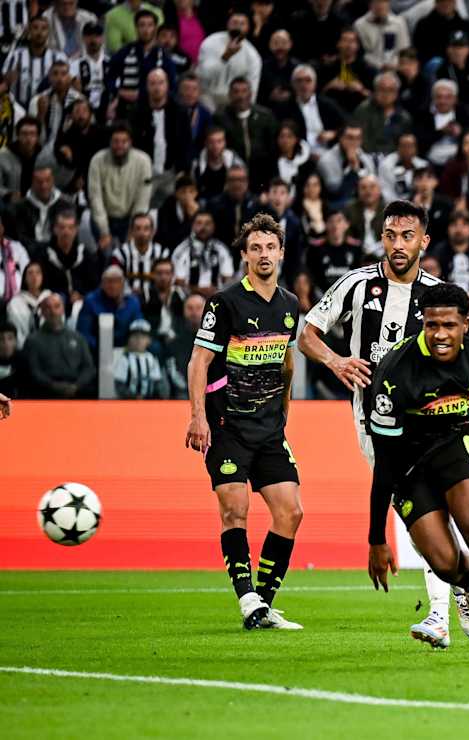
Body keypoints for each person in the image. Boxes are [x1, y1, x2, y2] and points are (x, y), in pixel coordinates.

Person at [297, 199, 469, 645]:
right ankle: (461, 592)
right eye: (391, 236)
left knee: (430, 509)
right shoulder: (356, 285)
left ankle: (443, 611)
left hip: (429, 421)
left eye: (407, 236)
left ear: (424, 241)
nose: (398, 245)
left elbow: (458, 351)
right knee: (420, 512)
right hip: (374, 423)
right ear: (381, 238)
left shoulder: (437, 294)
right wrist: (336, 360)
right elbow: (307, 334)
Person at [365, 282, 469, 665]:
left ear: (465, 325)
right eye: (432, 325)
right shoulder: (395, 371)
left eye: (449, 325)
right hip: (408, 465)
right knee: (443, 562)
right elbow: (385, 463)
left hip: (455, 447)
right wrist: (376, 538)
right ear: (423, 323)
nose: (440, 334)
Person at [184, 213, 303, 631]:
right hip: (227, 426)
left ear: (281, 253)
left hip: (269, 430)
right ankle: (247, 597)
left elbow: (287, 362)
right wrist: (197, 416)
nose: (264, 254)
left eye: (270, 247)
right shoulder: (225, 303)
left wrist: (285, 412)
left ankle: (263, 604)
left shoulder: (290, 305)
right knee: (235, 509)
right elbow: (199, 361)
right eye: (256, 248)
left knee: (291, 512)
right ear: (244, 256)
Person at [87, 124, 152, 248]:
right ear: (110, 142)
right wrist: (104, 231)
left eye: (124, 141)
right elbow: (95, 198)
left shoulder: (143, 161)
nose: (120, 146)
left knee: (130, 253)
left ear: (130, 142)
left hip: (130, 218)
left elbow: (143, 199)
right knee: (106, 254)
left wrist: (133, 229)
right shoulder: (97, 160)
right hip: (104, 216)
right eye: (116, 141)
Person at [23, 292, 95, 398]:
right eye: (48, 308)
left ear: (63, 309)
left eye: (57, 306)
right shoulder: (33, 340)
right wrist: (53, 386)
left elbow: (89, 367)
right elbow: (33, 371)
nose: (53, 311)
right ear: (42, 312)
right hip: (44, 394)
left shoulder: (78, 338)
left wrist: (76, 386)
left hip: (77, 392)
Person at [196, 12, 262, 110]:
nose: (238, 26)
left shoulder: (252, 55)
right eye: (234, 22)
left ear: (248, 28)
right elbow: (204, 76)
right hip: (207, 96)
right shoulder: (210, 42)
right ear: (228, 24)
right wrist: (226, 56)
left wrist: (247, 112)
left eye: (242, 24)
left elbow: (252, 89)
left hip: (235, 102)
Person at [76, 264, 143, 351]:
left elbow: (139, 328)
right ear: (102, 284)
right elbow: (83, 333)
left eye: (117, 281)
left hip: (125, 349)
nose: (113, 286)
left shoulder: (133, 302)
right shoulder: (91, 301)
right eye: (109, 281)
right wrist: (102, 348)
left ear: (123, 283)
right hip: (97, 349)